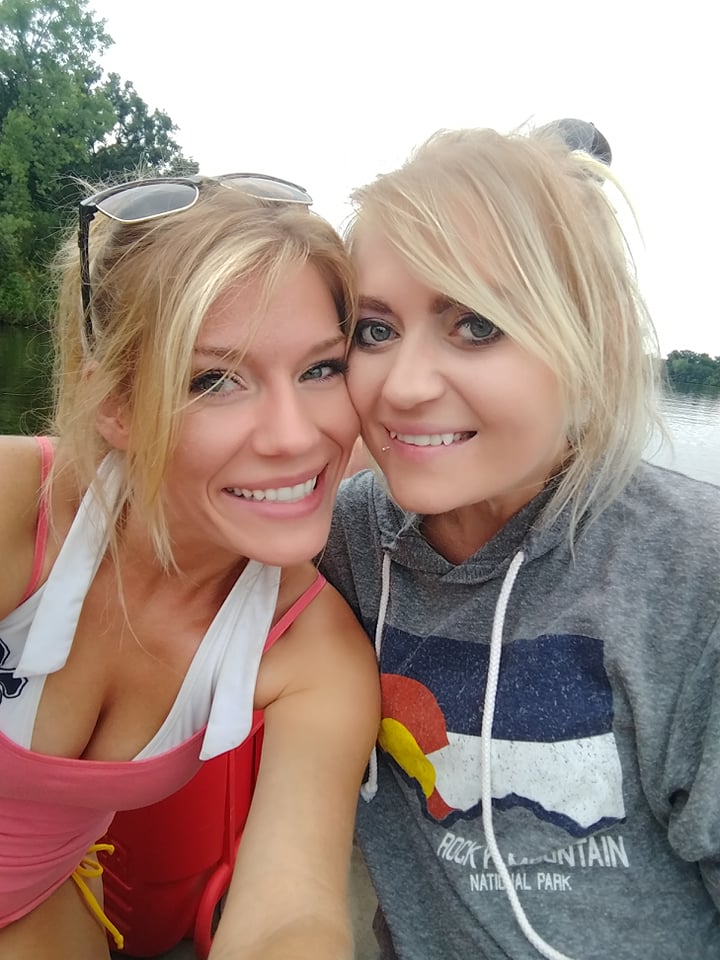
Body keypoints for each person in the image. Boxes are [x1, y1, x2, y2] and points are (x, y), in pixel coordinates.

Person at [321, 126, 720, 959]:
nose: (403, 386)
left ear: (589, 345)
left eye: (476, 324)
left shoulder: (691, 575)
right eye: (375, 330)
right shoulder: (343, 542)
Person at [0, 173, 379, 960]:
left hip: (40, 904)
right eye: (214, 379)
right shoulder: (14, 507)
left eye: (321, 369)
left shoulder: (315, 653)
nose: (295, 437)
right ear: (115, 406)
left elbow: (289, 915)